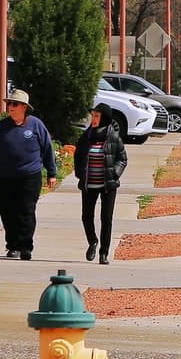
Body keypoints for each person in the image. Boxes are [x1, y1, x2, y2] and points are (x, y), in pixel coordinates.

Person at [0, 88, 58, 260]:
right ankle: (12, 246)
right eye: (9, 104)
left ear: (24, 107)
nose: (11, 107)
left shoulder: (36, 125)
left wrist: (52, 173)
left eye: (14, 104)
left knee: (25, 211)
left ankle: (25, 247)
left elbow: (47, 149)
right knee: (7, 211)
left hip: (29, 176)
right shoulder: (1, 127)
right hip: (4, 177)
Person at [75, 103, 128, 264]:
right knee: (86, 217)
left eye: (97, 116)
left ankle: (103, 253)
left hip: (107, 186)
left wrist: (114, 173)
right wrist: (80, 174)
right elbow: (78, 157)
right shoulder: (86, 137)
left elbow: (122, 159)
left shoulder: (113, 137)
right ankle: (92, 241)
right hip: (89, 185)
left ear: (104, 118)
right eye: (93, 116)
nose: (94, 119)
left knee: (106, 219)